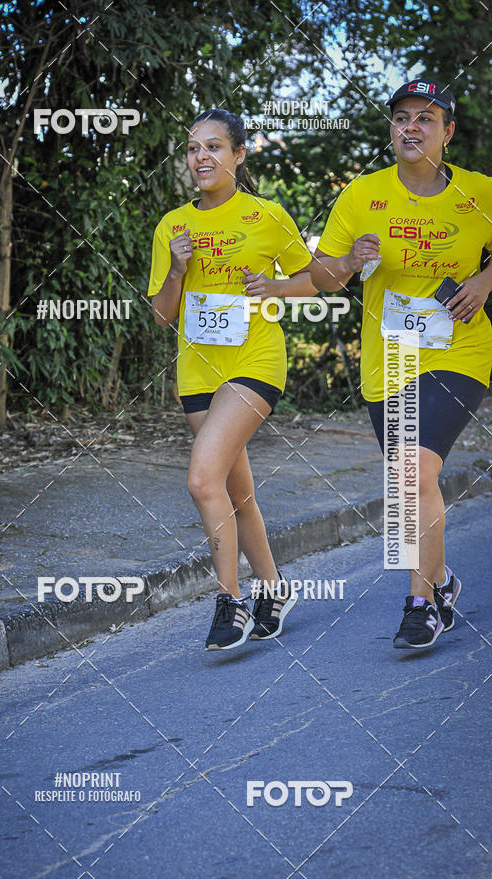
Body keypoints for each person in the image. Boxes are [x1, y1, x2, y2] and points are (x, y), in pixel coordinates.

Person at [311, 77, 492, 649]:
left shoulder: (482, 192)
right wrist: (346, 260)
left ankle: (421, 605)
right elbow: (318, 277)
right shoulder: (361, 196)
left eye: (425, 117)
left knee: (415, 471)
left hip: (458, 349)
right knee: (407, 483)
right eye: (401, 117)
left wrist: (486, 279)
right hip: (388, 358)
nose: (410, 126)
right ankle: (441, 582)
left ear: (448, 132)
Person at [148, 109, 316, 650]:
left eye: (214, 146)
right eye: (194, 147)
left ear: (239, 155)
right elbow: (162, 316)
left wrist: (274, 287)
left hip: (254, 362)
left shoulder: (267, 215)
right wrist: (176, 270)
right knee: (236, 491)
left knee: (202, 480)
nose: (201, 157)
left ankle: (230, 601)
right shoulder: (172, 225)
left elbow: (314, 279)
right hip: (198, 371)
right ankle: (275, 588)